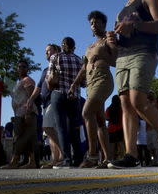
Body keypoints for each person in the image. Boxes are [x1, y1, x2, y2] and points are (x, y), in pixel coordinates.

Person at [108, 0, 158, 169]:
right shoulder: (120, 12)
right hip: (123, 57)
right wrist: (113, 41)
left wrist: (133, 25)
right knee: (125, 103)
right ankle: (130, 155)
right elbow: (122, 39)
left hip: (145, 51)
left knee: (138, 99)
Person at [70, 11, 117, 168]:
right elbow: (84, 68)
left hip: (103, 80)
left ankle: (92, 155)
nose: (94, 25)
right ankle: (108, 159)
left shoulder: (108, 39)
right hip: (90, 83)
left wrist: (103, 57)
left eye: (97, 22)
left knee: (86, 112)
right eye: (91, 23)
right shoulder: (89, 47)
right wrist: (74, 84)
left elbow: (116, 59)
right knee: (99, 121)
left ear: (104, 24)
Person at [48, 37, 84, 168]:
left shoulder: (55, 57)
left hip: (58, 94)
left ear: (62, 45)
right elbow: (84, 83)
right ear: (74, 47)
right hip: (74, 97)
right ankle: (78, 159)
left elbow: (50, 78)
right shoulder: (79, 60)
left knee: (61, 128)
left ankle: (67, 160)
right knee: (74, 128)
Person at [26, 44, 63, 168]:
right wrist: (31, 99)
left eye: (49, 50)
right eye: (45, 51)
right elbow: (38, 87)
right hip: (45, 103)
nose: (46, 53)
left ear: (57, 51)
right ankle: (55, 159)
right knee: (50, 132)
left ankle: (64, 155)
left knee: (48, 128)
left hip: (55, 100)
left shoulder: (59, 66)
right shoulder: (44, 70)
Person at [1, 60, 38, 169]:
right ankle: (32, 162)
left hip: (27, 113)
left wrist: (28, 113)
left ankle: (14, 161)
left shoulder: (28, 80)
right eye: (19, 67)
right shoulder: (18, 82)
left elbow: (31, 98)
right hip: (18, 114)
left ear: (27, 69)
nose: (21, 68)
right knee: (28, 139)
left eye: (24, 66)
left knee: (19, 138)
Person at [105, 95, 124, 160]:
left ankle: (111, 159)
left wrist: (111, 119)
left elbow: (106, 118)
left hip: (111, 129)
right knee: (121, 144)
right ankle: (122, 158)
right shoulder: (121, 108)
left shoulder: (108, 108)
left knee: (111, 146)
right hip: (120, 128)